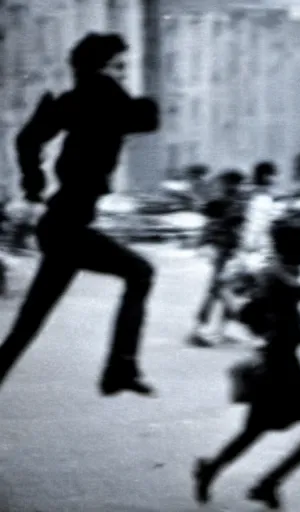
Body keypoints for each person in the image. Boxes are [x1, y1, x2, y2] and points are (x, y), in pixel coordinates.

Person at [0, 33, 159, 396]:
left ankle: (119, 369)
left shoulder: (76, 101)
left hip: (59, 224)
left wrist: (33, 187)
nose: (124, 75)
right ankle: (119, 369)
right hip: (68, 227)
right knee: (141, 273)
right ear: (101, 69)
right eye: (119, 67)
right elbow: (146, 117)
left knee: (28, 323)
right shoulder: (102, 97)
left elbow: (26, 140)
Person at [193, 221, 300, 510]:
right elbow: (291, 288)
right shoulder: (273, 273)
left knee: (256, 430)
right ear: (292, 248)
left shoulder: (278, 271)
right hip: (280, 364)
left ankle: (218, 469)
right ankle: (266, 483)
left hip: (280, 360)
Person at [189, 170, 249, 347]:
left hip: (229, 250)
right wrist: (207, 244)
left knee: (225, 290)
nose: (235, 187)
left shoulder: (233, 201)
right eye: (233, 183)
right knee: (216, 290)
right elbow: (212, 225)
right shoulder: (223, 202)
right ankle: (198, 330)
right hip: (223, 250)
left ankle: (220, 331)